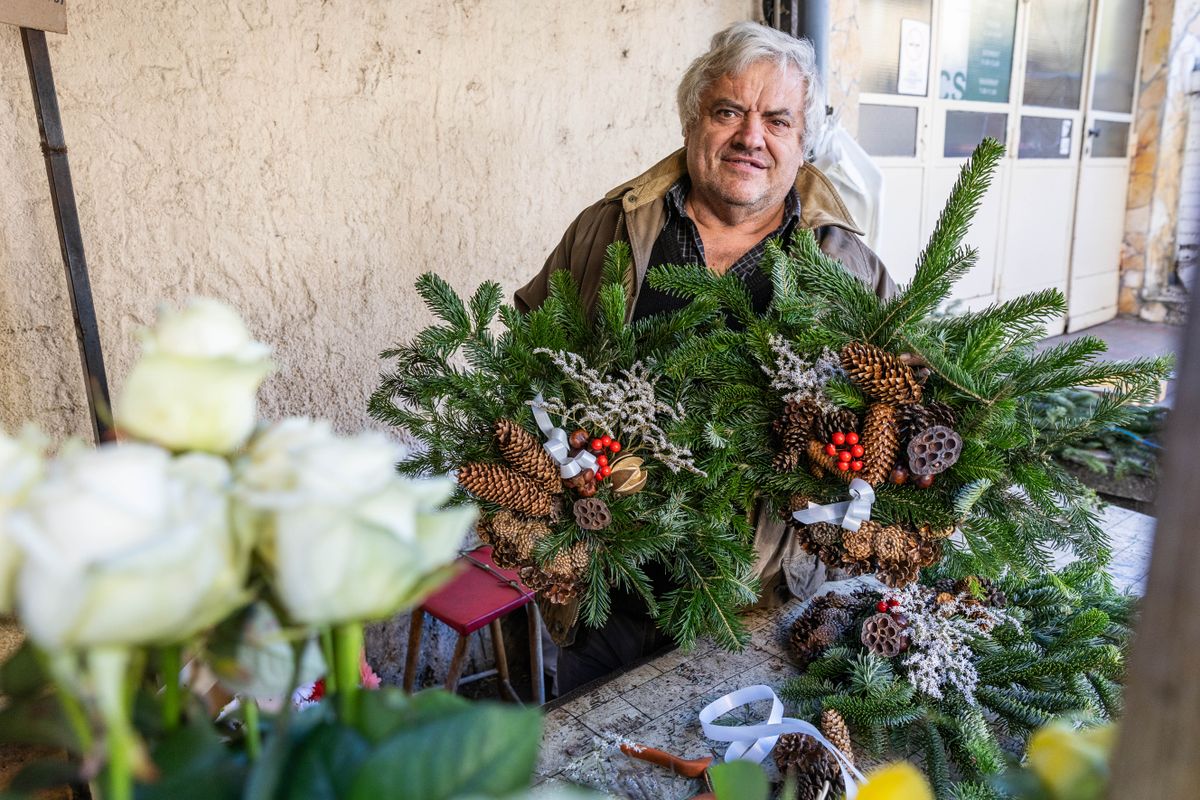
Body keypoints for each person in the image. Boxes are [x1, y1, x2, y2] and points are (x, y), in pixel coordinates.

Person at [515, 21, 896, 695]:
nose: (752, 137)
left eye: (778, 120)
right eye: (730, 112)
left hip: (761, 610)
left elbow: (904, 414)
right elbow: (528, 358)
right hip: (609, 597)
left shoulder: (849, 269)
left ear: (802, 144)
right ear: (693, 121)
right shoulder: (609, 230)